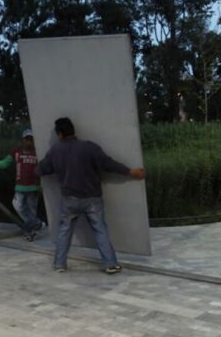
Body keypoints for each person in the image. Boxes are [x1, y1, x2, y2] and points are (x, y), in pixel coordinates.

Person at [37, 117, 145, 274]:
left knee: (64, 230)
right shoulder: (89, 147)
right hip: (92, 198)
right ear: (73, 131)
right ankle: (110, 264)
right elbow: (109, 164)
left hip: (69, 199)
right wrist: (131, 172)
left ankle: (59, 264)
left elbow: (40, 170)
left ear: (59, 134)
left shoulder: (55, 151)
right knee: (100, 229)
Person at [0, 129, 43, 241]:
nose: (29, 142)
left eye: (31, 140)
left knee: (31, 209)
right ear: (23, 140)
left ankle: (30, 232)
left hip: (33, 188)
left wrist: (41, 186)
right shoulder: (16, 152)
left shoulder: (38, 152)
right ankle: (37, 223)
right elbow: (4, 163)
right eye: (27, 139)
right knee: (18, 206)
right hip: (20, 187)